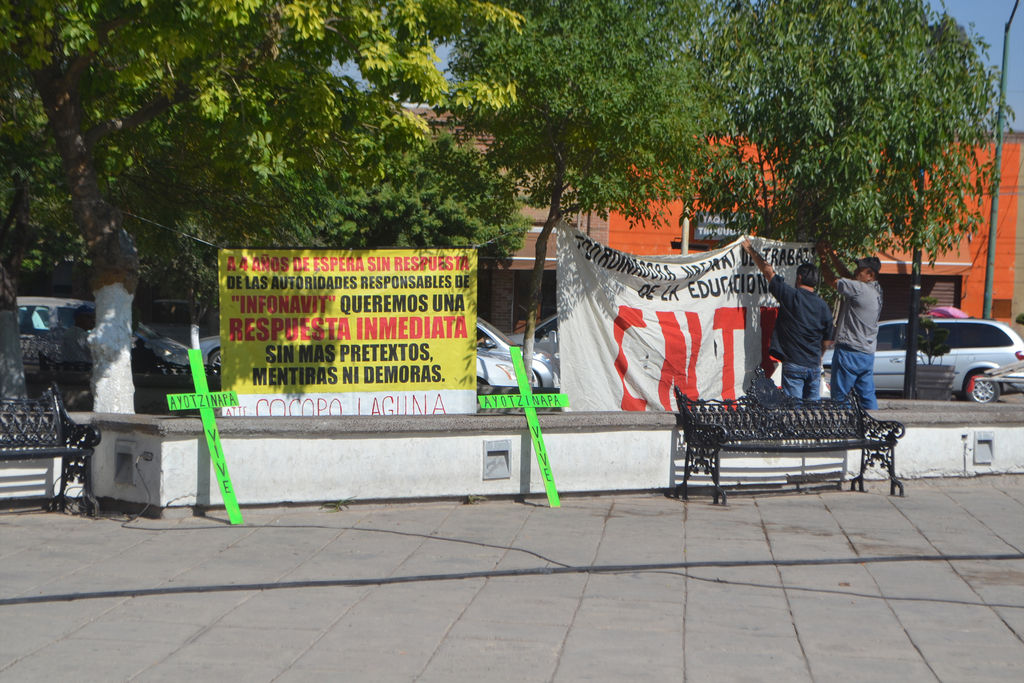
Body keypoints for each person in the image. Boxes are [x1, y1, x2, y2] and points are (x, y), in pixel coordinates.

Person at [742, 238, 834, 400]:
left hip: (794, 364)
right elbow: (827, 341)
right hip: (813, 366)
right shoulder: (823, 306)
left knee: (794, 411)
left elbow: (768, 271)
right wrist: (819, 355)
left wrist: (750, 250)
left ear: (799, 278)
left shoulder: (791, 296)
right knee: (812, 412)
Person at [820, 250, 883, 409]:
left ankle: (842, 429)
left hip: (849, 352)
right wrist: (833, 255)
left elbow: (832, 280)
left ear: (870, 275)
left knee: (840, 398)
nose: (855, 272)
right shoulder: (877, 291)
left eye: (859, 270)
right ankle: (873, 426)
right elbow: (846, 276)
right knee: (867, 396)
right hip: (866, 353)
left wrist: (823, 258)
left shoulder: (859, 289)